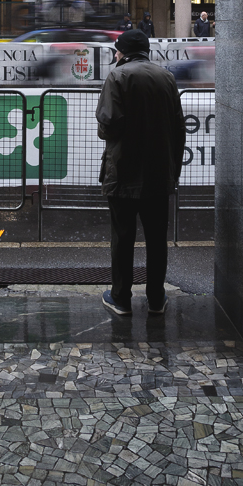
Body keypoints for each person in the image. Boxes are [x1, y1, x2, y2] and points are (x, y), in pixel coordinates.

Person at [96, 28, 186, 317]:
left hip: (124, 171)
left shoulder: (118, 76)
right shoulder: (167, 78)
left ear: (121, 52)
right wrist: (173, 169)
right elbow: (178, 128)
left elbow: (109, 124)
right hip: (159, 173)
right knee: (157, 238)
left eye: (117, 50)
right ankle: (157, 298)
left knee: (123, 237)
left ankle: (121, 297)